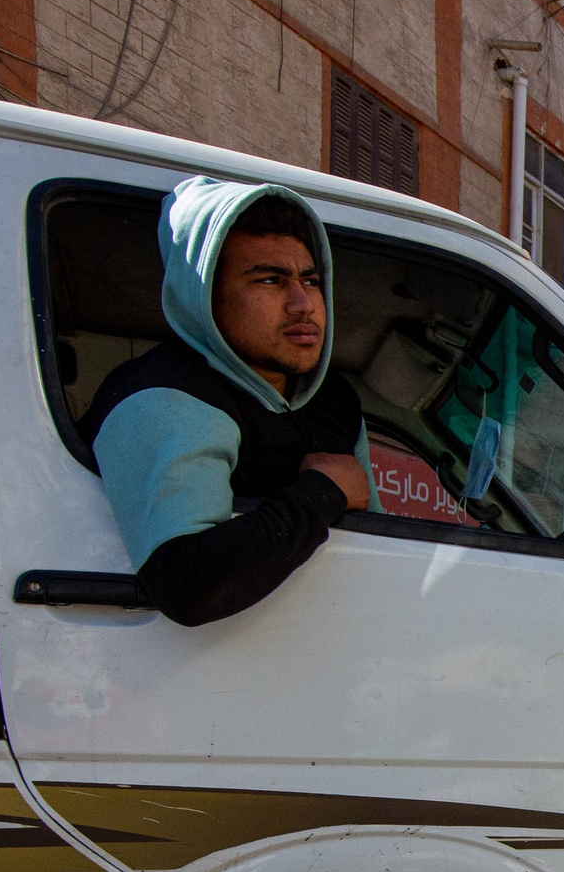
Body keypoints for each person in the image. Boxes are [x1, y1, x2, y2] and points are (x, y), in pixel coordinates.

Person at [83, 178, 379, 626]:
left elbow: (377, 544)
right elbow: (186, 584)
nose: (303, 303)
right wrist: (323, 491)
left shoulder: (333, 399)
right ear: (205, 296)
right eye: (269, 280)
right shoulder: (165, 396)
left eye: (311, 281)